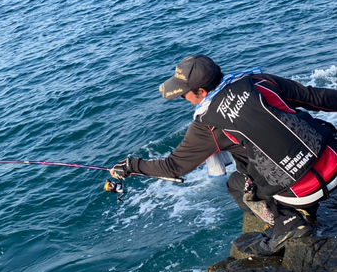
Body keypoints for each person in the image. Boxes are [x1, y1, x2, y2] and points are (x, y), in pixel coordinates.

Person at [110, 55, 337, 255]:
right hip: (334, 163)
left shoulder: (206, 125)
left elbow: (173, 167)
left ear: (201, 92)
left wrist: (131, 165)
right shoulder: (258, 81)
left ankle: (285, 222)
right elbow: (315, 97)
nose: (183, 99)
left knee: (236, 185)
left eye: (183, 94)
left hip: (301, 193)